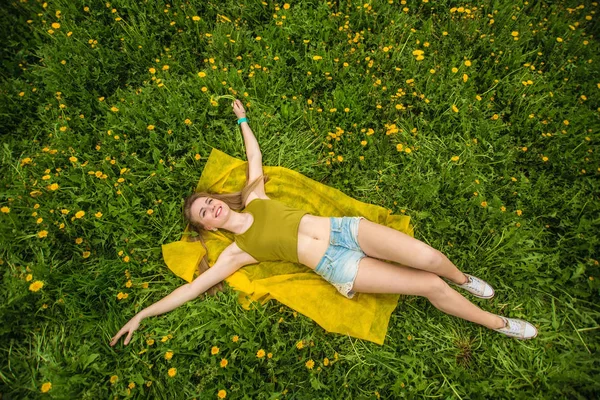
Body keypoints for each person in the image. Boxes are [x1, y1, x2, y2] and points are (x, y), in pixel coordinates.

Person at [110, 99, 537, 347]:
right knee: (428, 285)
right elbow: (191, 288)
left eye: (208, 203)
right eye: (203, 215)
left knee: (432, 257)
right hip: (338, 266)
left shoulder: (256, 195)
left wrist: (242, 120)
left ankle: (464, 279)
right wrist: (143, 314)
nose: (210, 210)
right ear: (209, 229)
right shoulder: (238, 253)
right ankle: (499, 324)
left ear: (219, 200)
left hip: (345, 230)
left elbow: (254, 157)